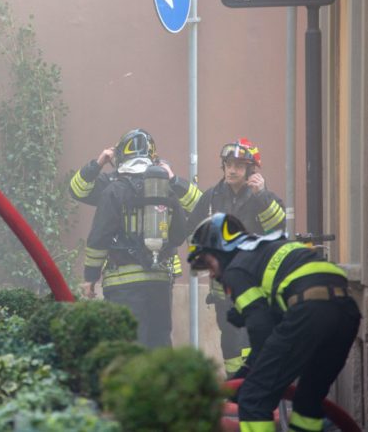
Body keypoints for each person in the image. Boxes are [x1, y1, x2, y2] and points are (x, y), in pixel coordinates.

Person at [187, 213, 360, 432]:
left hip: (309, 310)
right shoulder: (266, 250)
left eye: (207, 263)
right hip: (346, 312)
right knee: (308, 402)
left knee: (253, 400)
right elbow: (274, 328)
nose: (211, 275)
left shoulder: (236, 270)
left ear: (221, 251)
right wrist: (247, 373)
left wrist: (246, 381)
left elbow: (262, 331)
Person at [74, 129, 192, 348]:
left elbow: (99, 238)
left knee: (128, 347)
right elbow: (178, 234)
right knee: (159, 347)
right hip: (160, 282)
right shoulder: (166, 190)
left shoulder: (114, 190)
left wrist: (91, 277)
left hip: (122, 285)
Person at [181, 138, 287, 377]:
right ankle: (235, 386)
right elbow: (192, 230)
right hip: (223, 287)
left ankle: (252, 383)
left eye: (239, 165)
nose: (232, 169)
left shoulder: (263, 198)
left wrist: (261, 195)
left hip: (255, 285)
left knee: (252, 336)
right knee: (229, 339)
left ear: (251, 170)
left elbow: (278, 228)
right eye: (228, 164)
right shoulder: (211, 197)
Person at [69, 128, 201, 277]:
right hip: (160, 273)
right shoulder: (162, 183)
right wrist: (174, 180)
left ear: (119, 155)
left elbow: (76, 190)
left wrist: (99, 163)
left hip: (121, 274)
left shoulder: (113, 184)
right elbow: (200, 207)